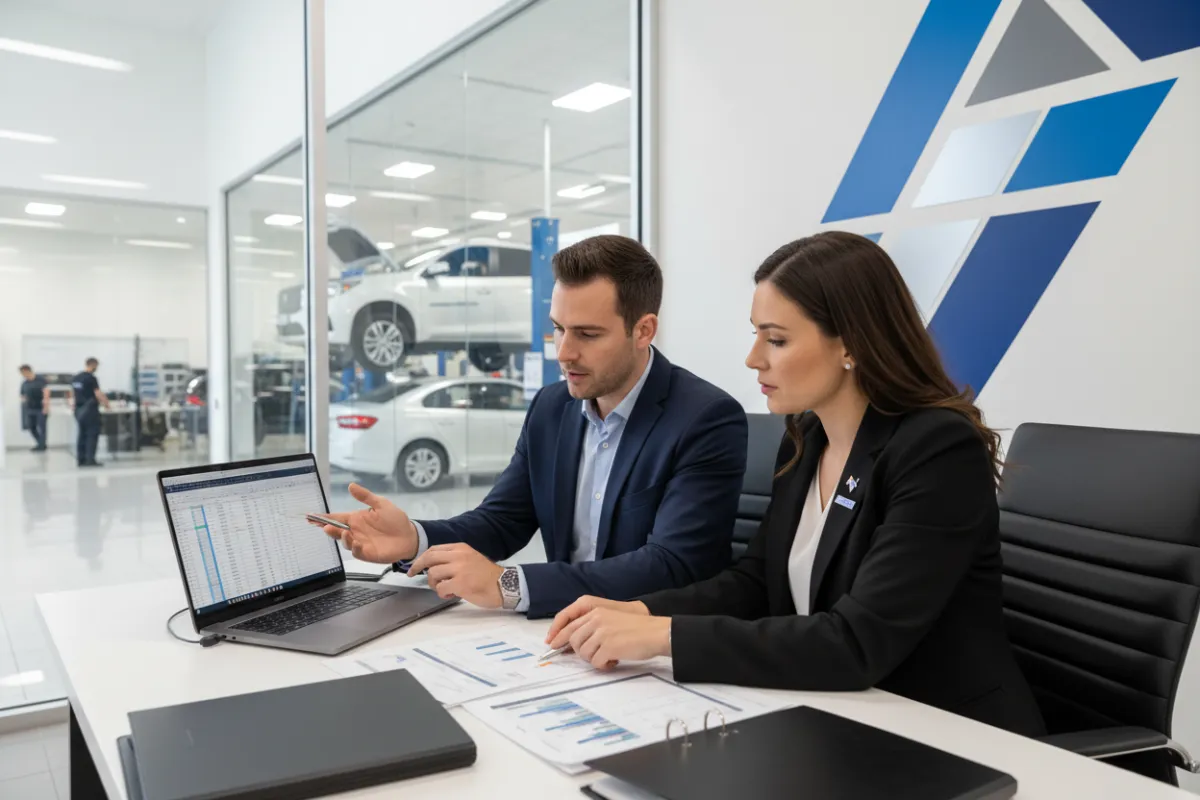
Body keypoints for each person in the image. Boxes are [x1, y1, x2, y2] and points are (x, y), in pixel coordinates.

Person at [545, 231, 1047, 737]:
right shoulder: (808, 437)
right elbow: (755, 584)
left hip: (948, 733)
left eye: (777, 339)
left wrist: (662, 635)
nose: (753, 358)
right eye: (756, 334)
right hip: (837, 715)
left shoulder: (937, 449)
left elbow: (856, 643)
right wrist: (638, 610)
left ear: (850, 344)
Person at [318, 235, 748, 618]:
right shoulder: (552, 406)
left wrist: (508, 585)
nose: (564, 352)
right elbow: (503, 521)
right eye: (558, 329)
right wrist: (414, 538)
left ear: (643, 330)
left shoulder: (705, 418)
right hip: (560, 633)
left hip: (648, 639)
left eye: (587, 334)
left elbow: (671, 565)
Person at [71, 357, 110, 467]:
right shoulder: (91, 378)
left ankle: (80, 459)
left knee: (81, 434)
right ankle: (90, 459)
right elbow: (97, 393)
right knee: (92, 434)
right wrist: (107, 404)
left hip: (78, 410)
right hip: (90, 410)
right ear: (93, 365)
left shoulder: (76, 378)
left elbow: (73, 394)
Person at [18, 364, 50, 452]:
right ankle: (40, 443)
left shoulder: (40, 380)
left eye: (23, 373)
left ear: (27, 371)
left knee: (42, 428)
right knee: (31, 427)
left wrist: (46, 407)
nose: (23, 375)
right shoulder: (25, 383)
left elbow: (46, 392)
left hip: (40, 408)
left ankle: (41, 446)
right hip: (29, 408)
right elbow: (22, 395)